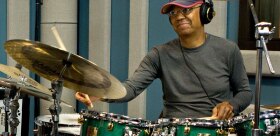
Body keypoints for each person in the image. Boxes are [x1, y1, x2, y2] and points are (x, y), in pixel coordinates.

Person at [76, 0, 253, 120]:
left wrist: (231, 105)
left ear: (206, 12)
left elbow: (245, 92)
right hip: (172, 133)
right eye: (174, 12)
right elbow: (130, 88)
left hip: (215, 131)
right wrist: (100, 92)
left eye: (187, 10)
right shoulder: (159, 54)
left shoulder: (228, 49)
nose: (179, 16)